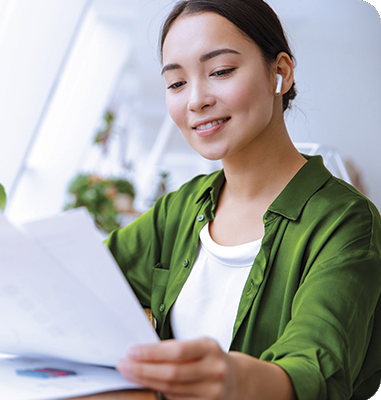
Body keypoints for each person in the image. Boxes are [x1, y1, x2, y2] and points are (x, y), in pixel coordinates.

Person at [108, 0, 381, 399]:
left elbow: (317, 370)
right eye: (176, 83)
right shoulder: (179, 210)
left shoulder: (346, 224)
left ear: (280, 73)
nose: (195, 100)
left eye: (220, 71)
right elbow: (83, 282)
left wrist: (237, 380)